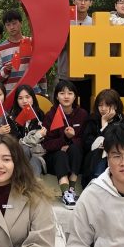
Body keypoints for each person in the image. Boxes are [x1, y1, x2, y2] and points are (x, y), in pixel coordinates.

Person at [42, 79, 88, 208]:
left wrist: (71, 141)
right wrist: (64, 140)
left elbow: (86, 140)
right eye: (62, 93)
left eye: (70, 93)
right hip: (55, 158)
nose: (66, 96)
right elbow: (46, 144)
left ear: (75, 96)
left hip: (75, 157)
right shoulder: (51, 115)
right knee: (60, 155)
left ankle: (72, 189)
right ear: (57, 96)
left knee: (75, 149)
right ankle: (66, 193)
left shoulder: (82, 114)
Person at [57, 0, 95, 108]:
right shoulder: (63, 22)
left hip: (87, 75)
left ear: (91, 3)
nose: (82, 3)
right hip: (66, 73)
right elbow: (56, 47)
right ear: (73, 1)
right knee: (64, 109)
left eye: (86, 0)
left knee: (85, 108)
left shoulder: (95, 23)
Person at [80, 88, 124, 187]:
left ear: (115, 106)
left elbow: (122, 141)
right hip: (94, 157)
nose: (103, 108)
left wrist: (104, 126)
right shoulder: (92, 120)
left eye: (107, 105)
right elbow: (87, 143)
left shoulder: (122, 121)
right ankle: (97, 185)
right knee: (101, 153)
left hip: (116, 157)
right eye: (100, 105)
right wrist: (103, 123)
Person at [8, 84, 46, 176]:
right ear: (16, 101)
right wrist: (37, 136)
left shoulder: (40, 115)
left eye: (27, 97)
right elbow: (17, 142)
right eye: (20, 98)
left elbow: (44, 142)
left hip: (37, 154)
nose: (24, 101)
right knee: (24, 149)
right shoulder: (12, 118)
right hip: (19, 154)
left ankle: (29, 183)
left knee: (35, 161)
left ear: (33, 98)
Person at [0, 9, 30, 94]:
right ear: (5, 27)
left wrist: (42, 92)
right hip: (10, 94)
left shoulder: (31, 43)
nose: (12, 27)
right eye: (8, 25)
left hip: (31, 93)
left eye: (14, 23)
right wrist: (6, 70)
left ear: (21, 23)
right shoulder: (1, 48)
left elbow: (40, 70)